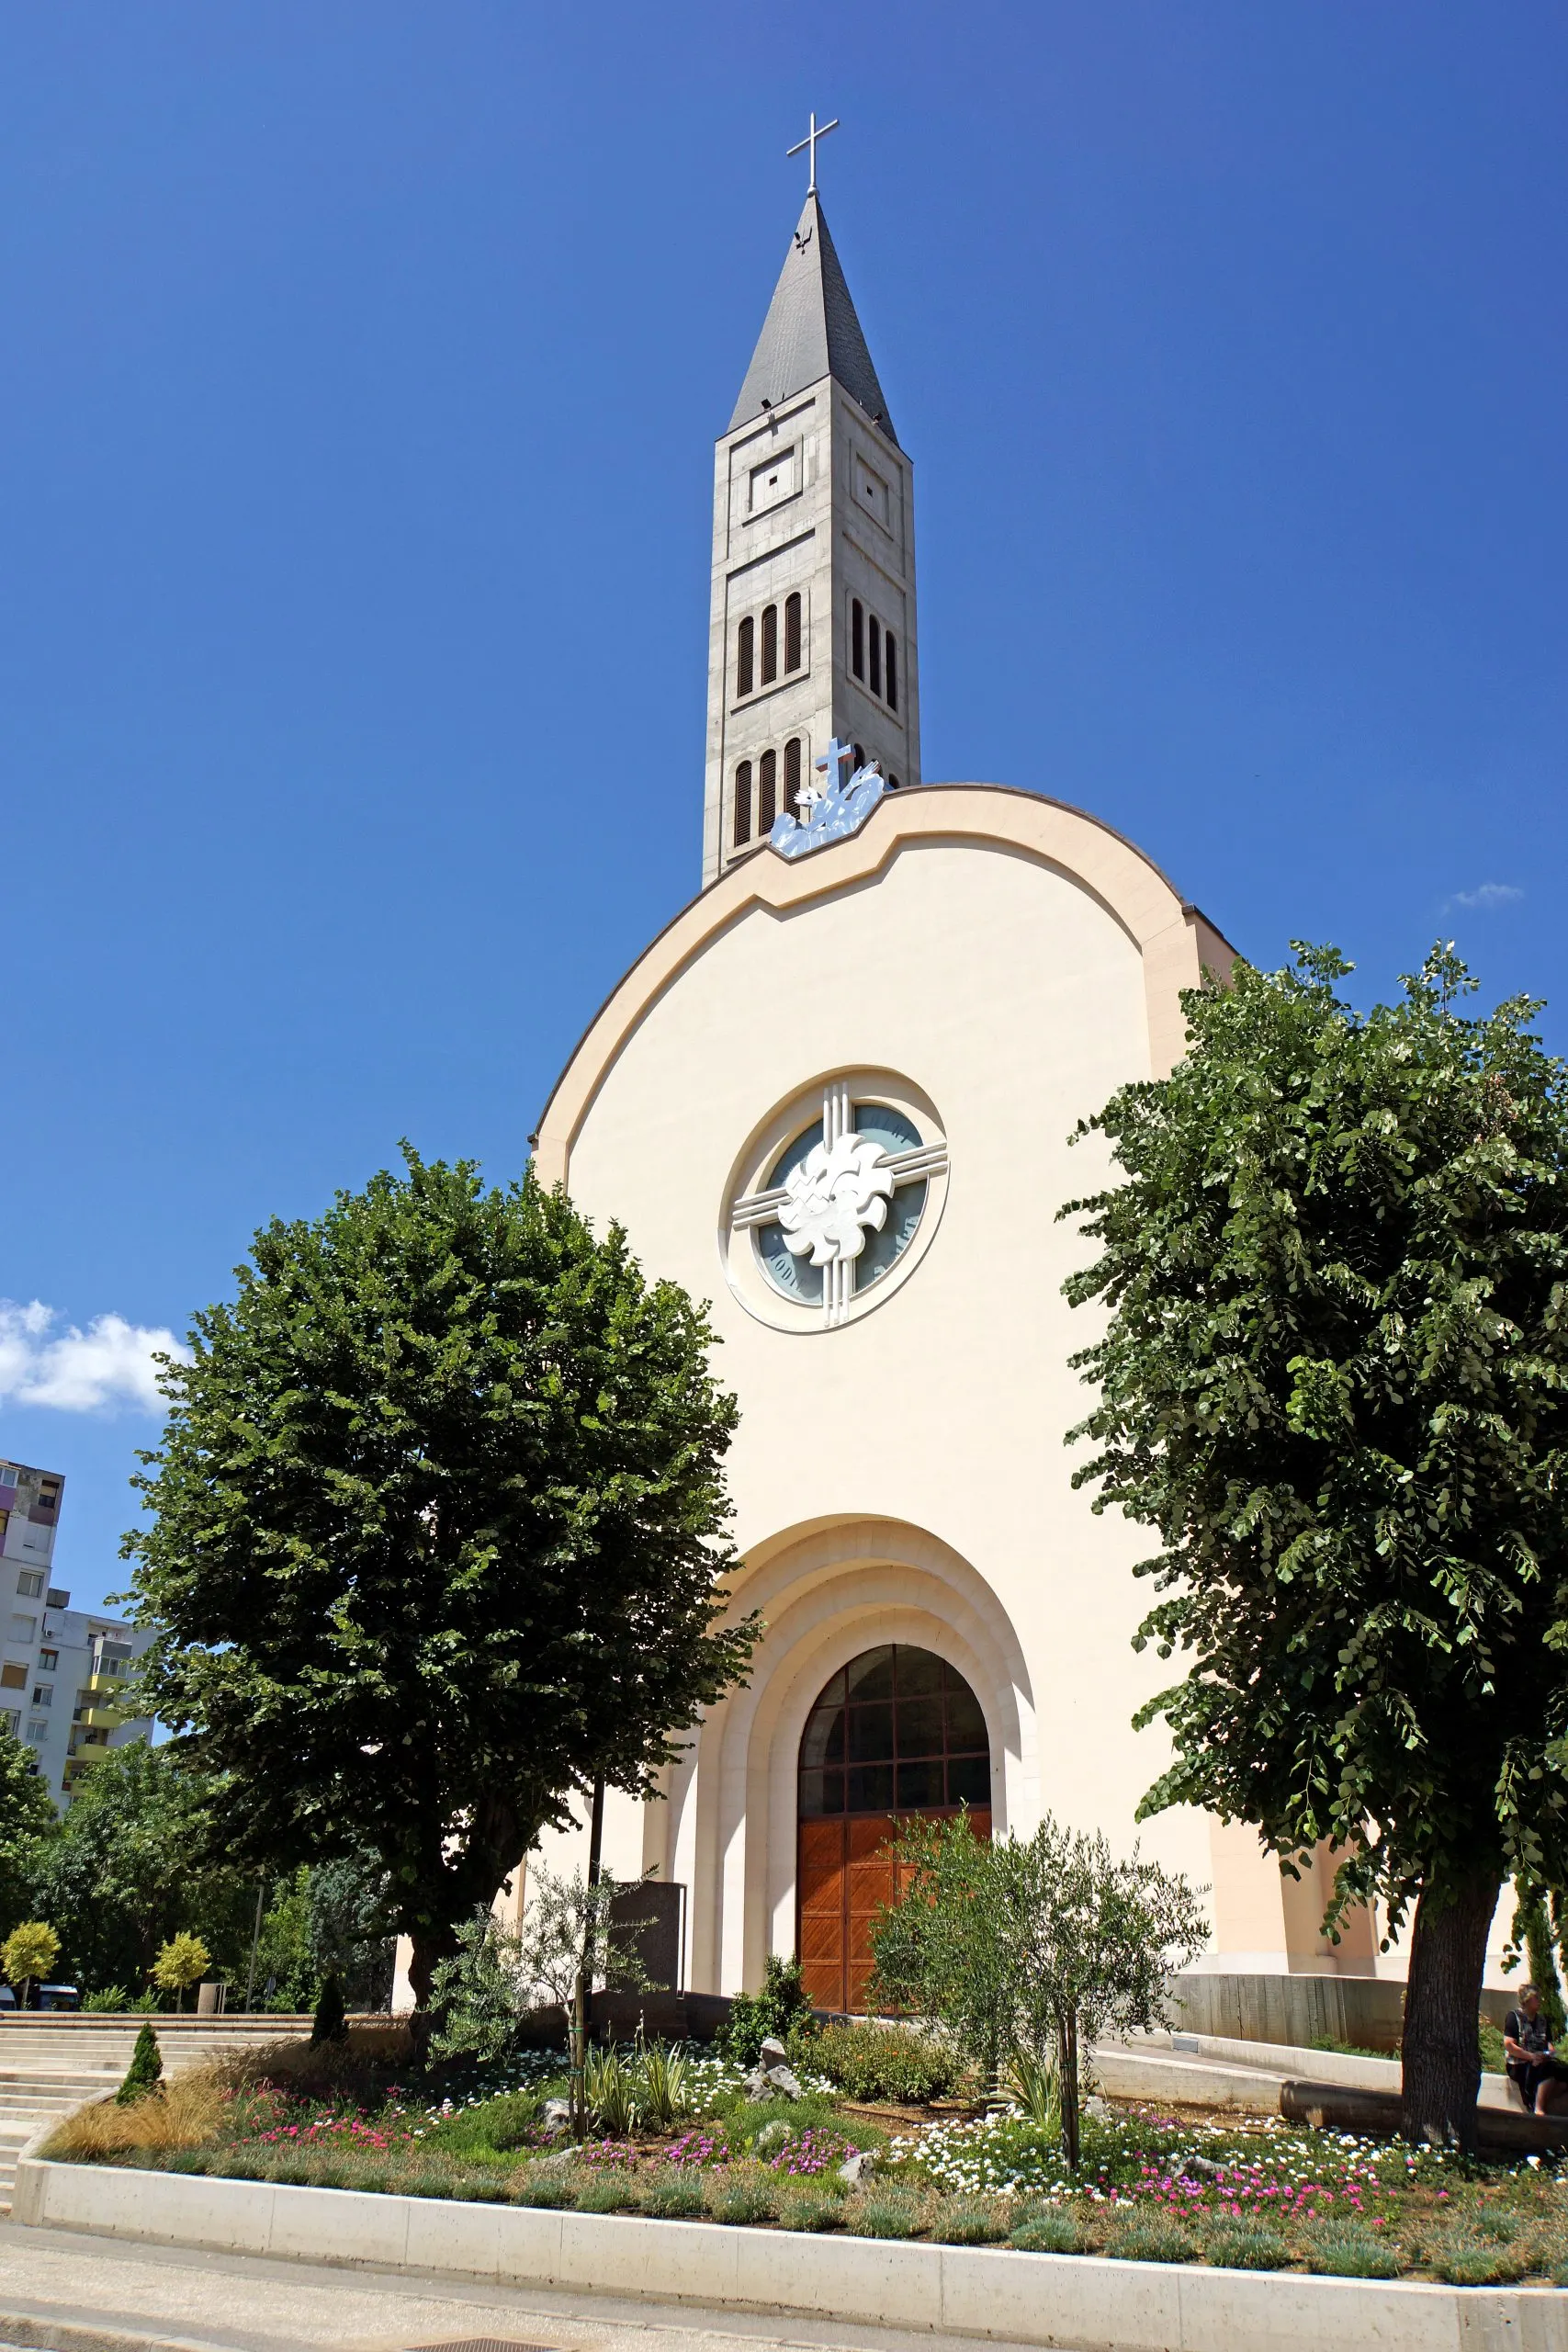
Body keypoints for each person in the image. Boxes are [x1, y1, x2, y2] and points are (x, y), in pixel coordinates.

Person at [1503, 1985, 1568, 2114]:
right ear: (1526, 2000)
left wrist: (1549, 2053)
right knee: (1546, 2070)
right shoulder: (1514, 2017)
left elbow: (1548, 2044)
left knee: (1563, 2073)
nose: (1540, 2000)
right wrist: (1531, 2057)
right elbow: (1509, 2045)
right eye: (1536, 1997)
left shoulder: (1543, 2020)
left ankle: (1540, 2097)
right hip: (1519, 2063)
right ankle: (1538, 2108)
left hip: (1541, 2060)